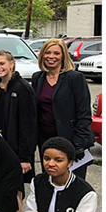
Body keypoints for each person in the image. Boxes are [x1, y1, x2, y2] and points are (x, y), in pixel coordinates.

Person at [0, 49, 38, 212]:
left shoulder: (23, 89)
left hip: (17, 151)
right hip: (0, 148)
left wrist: (25, 157)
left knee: (16, 190)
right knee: (6, 189)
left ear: (12, 64)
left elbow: (28, 125)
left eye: (2, 64)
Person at [32, 38, 95, 179]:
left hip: (71, 140)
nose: (51, 57)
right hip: (46, 141)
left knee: (72, 184)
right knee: (50, 181)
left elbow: (84, 113)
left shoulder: (75, 78)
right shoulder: (38, 77)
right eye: (47, 53)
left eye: (56, 53)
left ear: (63, 56)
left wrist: (78, 143)